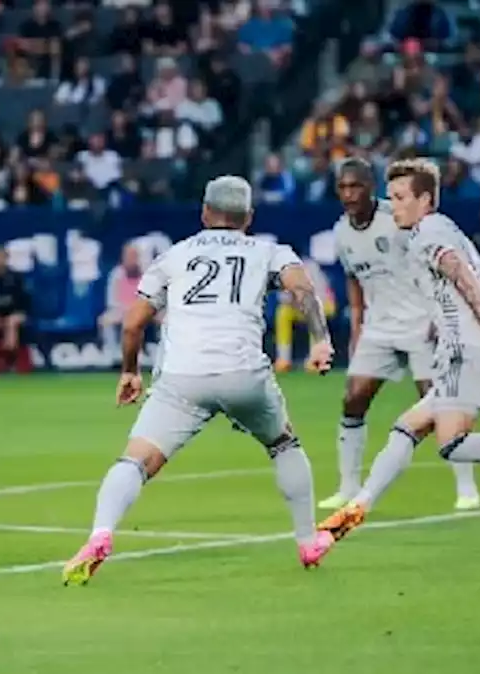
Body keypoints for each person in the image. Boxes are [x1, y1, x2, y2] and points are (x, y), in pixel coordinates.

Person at [62, 175, 338, 586]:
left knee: (136, 460)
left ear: (204, 213)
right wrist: (320, 340)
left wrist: (129, 372)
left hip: (182, 377)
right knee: (283, 443)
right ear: (249, 217)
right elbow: (303, 291)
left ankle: (100, 533)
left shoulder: (174, 256)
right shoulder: (269, 251)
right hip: (243, 374)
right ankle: (306, 540)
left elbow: (133, 323)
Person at [318, 159, 480, 548]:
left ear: (425, 200)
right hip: (468, 348)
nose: (394, 206)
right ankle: (358, 507)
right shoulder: (438, 229)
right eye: (390, 197)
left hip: (468, 349)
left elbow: (460, 271)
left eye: (401, 198)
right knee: (407, 428)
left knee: (451, 442)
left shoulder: (429, 232)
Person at [320, 158, 480, 513]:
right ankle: (348, 486)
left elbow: (439, 256)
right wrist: (357, 329)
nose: (349, 194)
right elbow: (354, 283)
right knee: (353, 399)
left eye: (356, 186)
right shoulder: (340, 232)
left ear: (371, 187)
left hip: (421, 323)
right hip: (379, 327)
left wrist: (443, 312)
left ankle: (466, 488)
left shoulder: (399, 219)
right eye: (343, 187)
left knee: (439, 405)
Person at [271, 254, 336, 372]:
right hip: (298, 307)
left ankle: (315, 359)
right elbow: (284, 298)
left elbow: (318, 295)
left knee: (314, 314)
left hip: (322, 303)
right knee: (283, 312)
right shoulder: (284, 269)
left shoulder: (312, 267)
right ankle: (283, 359)